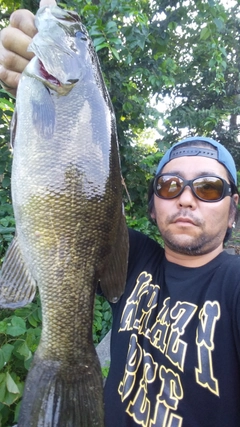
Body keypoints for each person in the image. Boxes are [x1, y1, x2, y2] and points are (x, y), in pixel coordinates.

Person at [1, 5, 240, 427]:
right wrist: (27, 90)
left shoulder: (234, 287)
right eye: (170, 186)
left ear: (233, 211)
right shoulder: (130, 258)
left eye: (208, 188)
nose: (186, 199)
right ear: (152, 205)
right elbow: (75, 210)